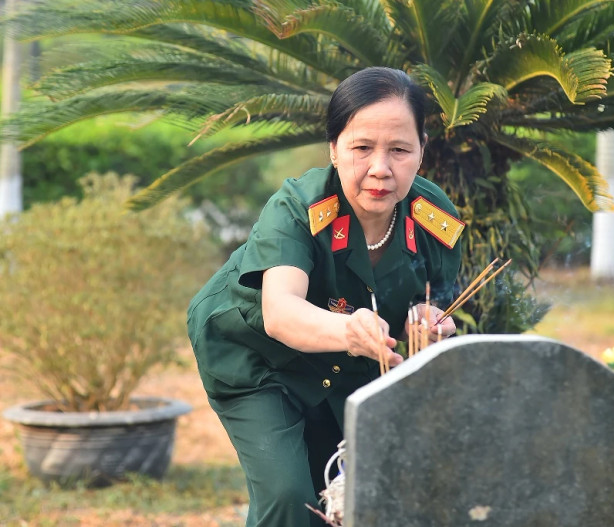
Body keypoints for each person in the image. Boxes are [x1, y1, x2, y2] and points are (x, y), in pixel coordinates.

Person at [187, 67, 464, 527]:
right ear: (334, 148)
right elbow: (280, 313)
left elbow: (432, 298)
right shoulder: (298, 207)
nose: (381, 168)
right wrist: (351, 331)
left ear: (422, 149)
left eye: (399, 150)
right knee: (290, 497)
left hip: (347, 366)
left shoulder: (434, 218)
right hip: (258, 360)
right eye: (362, 148)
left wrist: (426, 321)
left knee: (346, 493)